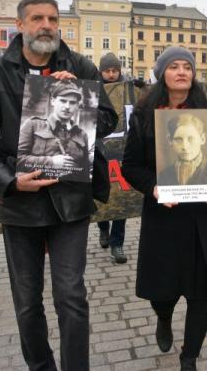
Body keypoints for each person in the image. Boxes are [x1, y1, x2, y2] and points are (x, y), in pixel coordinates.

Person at [0, 0, 118, 370]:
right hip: (20, 204)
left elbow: (112, 122)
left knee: (71, 297)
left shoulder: (79, 64)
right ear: (20, 25)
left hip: (70, 200)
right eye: (37, 19)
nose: (46, 25)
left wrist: (82, 96)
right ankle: (41, 366)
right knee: (28, 302)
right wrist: (11, 181)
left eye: (52, 19)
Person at [121, 46, 207, 371]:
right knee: (163, 290)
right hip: (165, 217)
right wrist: (155, 188)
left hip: (206, 217)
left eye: (186, 67)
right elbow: (130, 166)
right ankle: (163, 317)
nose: (181, 72)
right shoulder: (145, 114)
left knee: (201, 292)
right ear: (162, 74)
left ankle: (189, 357)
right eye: (173, 66)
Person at [17, 81, 91, 181]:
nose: (67, 106)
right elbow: (17, 159)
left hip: (69, 191)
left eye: (72, 103)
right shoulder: (33, 125)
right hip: (38, 189)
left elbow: (84, 172)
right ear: (53, 101)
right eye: (63, 101)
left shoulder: (82, 135)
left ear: (77, 105)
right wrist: (51, 162)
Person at [96, 53, 128, 264]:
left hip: (122, 150)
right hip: (101, 150)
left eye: (114, 71)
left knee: (123, 199)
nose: (111, 74)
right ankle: (103, 228)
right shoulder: (94, 88)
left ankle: (118, 243)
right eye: (107, 71)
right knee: (103, 195)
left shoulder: (127, 90)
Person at [158, 113, 207, 185]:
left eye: (191, 139)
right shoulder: (164, 175)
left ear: (202, 139)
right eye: (178, 139)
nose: (185, 146)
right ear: (170, 140)